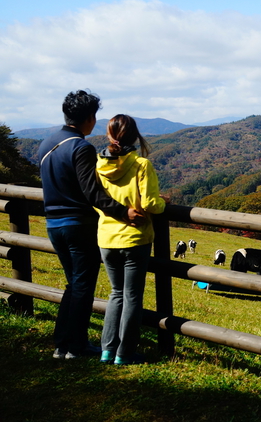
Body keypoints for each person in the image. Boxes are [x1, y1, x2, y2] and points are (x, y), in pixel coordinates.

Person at [39, 90, 144, 359]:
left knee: (73, 283)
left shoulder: (46, 143)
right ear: (88, 118)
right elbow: (92, 192)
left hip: (53, 224)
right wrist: (124, 212)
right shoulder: (80, 147)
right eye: (94, 116)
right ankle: (76, 346)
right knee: (83, 286)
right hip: (77, 224)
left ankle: (62, 344)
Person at [95, 114, 168, 365]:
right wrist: (162, 202)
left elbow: (97, 202)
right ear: (135, 136)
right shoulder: (141, 165)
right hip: (135, 239)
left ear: (110, 136)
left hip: (106, 237)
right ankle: (124, 354)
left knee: (116, 294)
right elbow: (149, 204)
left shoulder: (99, 165)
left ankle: (106, 350)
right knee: (132, 296)